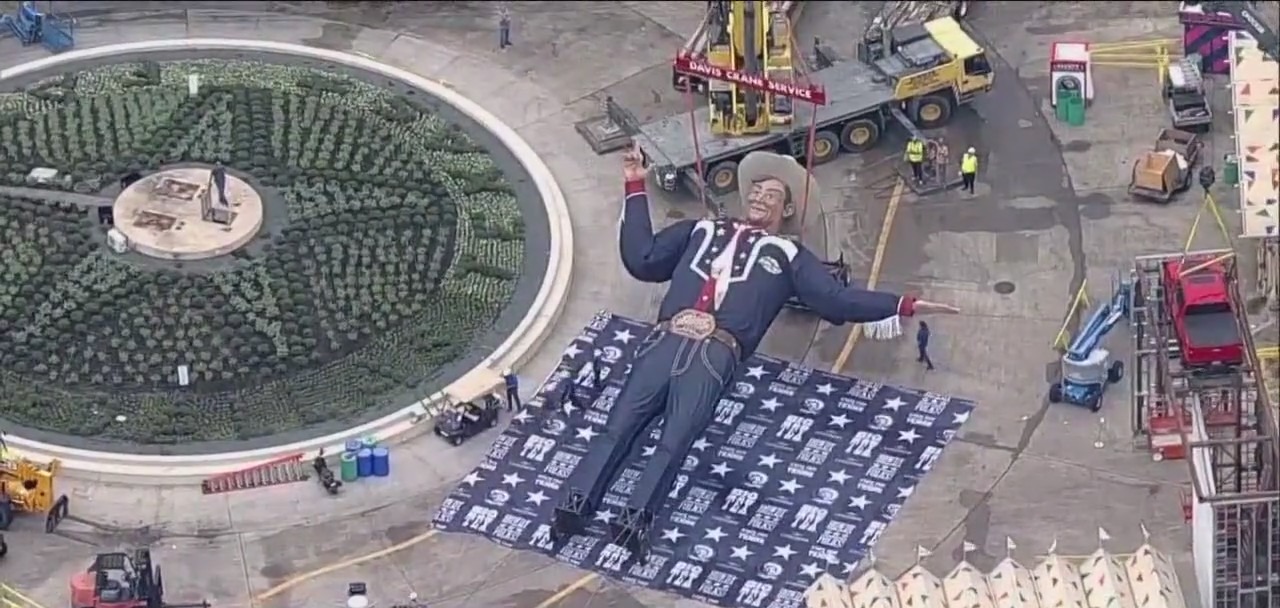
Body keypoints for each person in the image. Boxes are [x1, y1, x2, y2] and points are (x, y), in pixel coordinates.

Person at [553, 143, 961, 551]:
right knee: (618, 427)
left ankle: (633, 523)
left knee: (674, 441)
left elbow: (837, 301)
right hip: (666, 339)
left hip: (715, 355)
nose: (760, 198)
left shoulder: (789, 256)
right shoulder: (701, 230)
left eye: (772, 195)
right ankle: (575, 505)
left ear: (786, 211)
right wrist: (635, 185)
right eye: (757, 191)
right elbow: (642, 259)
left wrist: (902, 304)